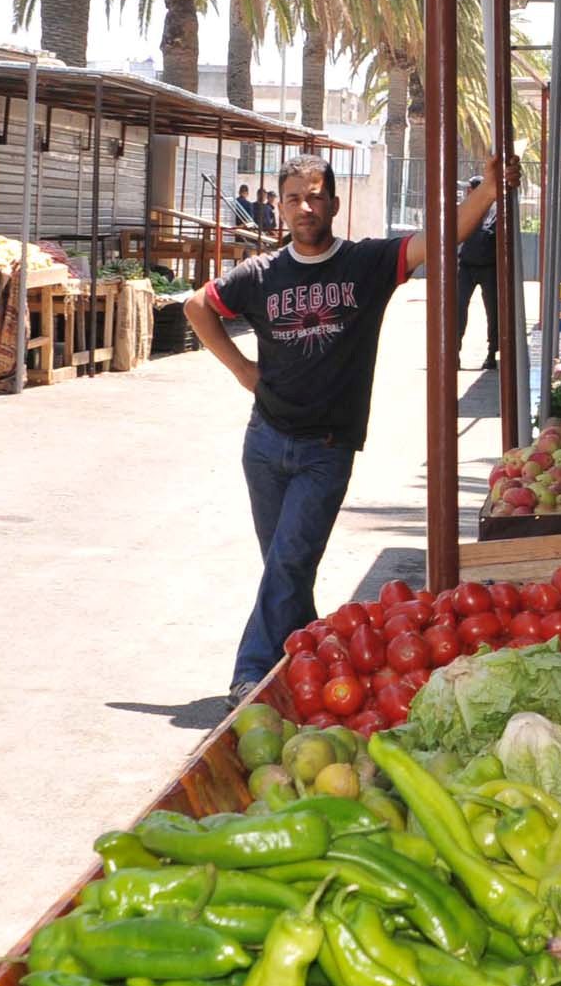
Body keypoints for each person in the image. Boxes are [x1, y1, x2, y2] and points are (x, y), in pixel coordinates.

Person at [189, 150, 510, 696]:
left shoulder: (366, 263)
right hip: (264, 444)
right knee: (287, 568)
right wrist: (242, 369)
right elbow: (199, 305)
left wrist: (488, 192)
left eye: (315, 195)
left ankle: (249, 675)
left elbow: (438, 237)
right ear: (281, 208)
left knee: (288, 562)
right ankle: (315, 660)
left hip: (326, 450)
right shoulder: (261, 274)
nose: (305, 206)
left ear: (334, 202)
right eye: (293, 198)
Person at [455, 186, 503, 370]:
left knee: (492, 310)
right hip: (467, 266)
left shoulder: (496, 210)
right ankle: (455, 352)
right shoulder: (466, 209)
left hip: (488, 268)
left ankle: (492, 353)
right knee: (458, 310)